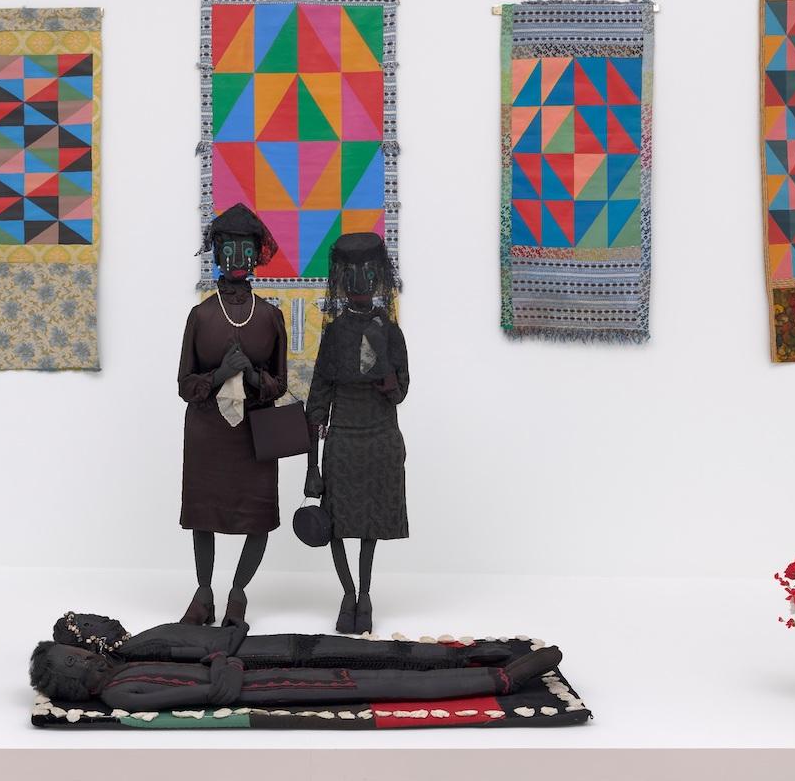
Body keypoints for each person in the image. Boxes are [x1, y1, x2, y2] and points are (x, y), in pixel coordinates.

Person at [31, 612, 565, 713]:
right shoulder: (121, 692)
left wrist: (222, 653)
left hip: (264, 666)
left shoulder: (129, 662)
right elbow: (214, 692)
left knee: (377, 660)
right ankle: (499, 679)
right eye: (74, 659)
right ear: (70, 680)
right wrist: (224, 662)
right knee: (382, 683)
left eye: (78, 650)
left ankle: (469, 658)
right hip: (267, 684)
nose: (85, 655)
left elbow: (215, 649)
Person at [176, 204, 288, 628]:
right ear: (217, 254)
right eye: (229, 250)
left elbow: (281, 382)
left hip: (255, 435)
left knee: (258, 516)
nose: (238, 259)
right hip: (208, 432)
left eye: (246, 250)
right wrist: (220, 374)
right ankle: (203, 593)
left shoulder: (270, 317)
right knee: (203, 514)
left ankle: (238, 592)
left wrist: (254, 377)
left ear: (258, 254)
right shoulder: (201, 315)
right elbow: (184, 384)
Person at [304, 232, 408, 634]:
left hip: (380, 434)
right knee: (335, 519)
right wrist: (311, 466)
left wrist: (387, 375)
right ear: (342, 281)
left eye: (368, 274)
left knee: (370, 522)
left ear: (378, 277)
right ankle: (348, 592)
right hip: (343, 436)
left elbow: (400, 390)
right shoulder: (334, 333)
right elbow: (318, 397)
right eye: (352, 275)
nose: (361, 283)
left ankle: (364, 594)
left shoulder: (390, 330)